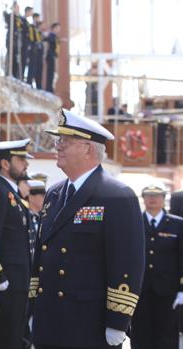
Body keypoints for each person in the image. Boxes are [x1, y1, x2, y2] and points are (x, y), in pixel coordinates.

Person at [30, 109, 144, 348]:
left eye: (65, 141)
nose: (58, 146)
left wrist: (118, 320)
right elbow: (42, 254)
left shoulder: (116, 196)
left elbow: (127, 262)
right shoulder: (54, 193)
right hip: (48, 319)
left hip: (88, 322)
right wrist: (33, 307)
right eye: (58, 140)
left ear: (88, 149)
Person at [0, 138, 32, 349]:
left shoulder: (11, 192)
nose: (26, 164)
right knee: (4, 340)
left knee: (15, 339)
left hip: (19, 282)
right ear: (4, 163)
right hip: (7, 285)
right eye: (20, 159)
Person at [130, 184, 183, 349]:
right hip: (140, 290)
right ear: (143, 198)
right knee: (140, 334)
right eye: (148, 195)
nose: (153, 198)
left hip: (168, 291)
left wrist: (182, 289)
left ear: (164, 198)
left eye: (157, 195)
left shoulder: (178, 224)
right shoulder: (133, 222)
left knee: (167, 335)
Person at [4, 2, 23, 79]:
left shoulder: (19, 18)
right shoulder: (10, 16)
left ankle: (15, 75)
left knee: (16, 58)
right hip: (11, 39)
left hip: (17, 40)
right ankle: (9, 73)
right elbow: (6, 18)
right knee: (10, 56)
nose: (18, 8)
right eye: (17, 7)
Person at [27, 14, 44, 89]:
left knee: (39, 68)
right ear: (34, 18)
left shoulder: (38, 29)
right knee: (32, 67)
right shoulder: (31, 27)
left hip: (39, 50)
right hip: (34, 49)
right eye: (37, 18)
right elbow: (31, 38)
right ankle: (29, 82)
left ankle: (38, 85)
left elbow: (40, 39)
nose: (38, 20)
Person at [45, 22, 60, 93]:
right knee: (50, 72)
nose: (58, 29)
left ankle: (51, 87)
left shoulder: (55, 36)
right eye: (57, 28)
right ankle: (49, 88)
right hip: (51, 55)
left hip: (53, 55)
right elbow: (48, 40)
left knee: (53, 72)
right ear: (53, 28)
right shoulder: (51, 35)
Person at [21, 6, 34, 82]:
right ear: (27, 11)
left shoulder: (26, 21)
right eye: (31, 11)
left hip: (26, 43)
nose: (32, 13)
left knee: (25, 61)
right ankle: (21, 77)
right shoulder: (22, 20)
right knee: (22, 60)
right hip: (23, 43)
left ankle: (22, 77)